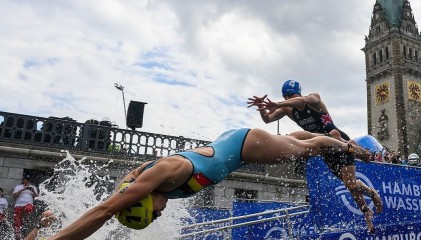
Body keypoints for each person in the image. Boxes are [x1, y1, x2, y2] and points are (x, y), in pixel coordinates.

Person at [48, 128, 379, 239]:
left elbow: (106, 209)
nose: (160, 215)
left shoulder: (167, 172)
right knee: (295, 143)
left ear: (143, 198)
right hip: (236, 149)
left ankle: (348, 145)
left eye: (152, 214)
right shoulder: (143, 184)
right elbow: (121, 191)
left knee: (307, 149)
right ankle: (345, 166)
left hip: (244, 144)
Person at [248, 80, 382, 231]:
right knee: (350, 185)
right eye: (288, 97)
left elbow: (304, 100)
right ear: (285, 97)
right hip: (324, 148)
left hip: (336, 141)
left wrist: (278, 104)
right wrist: (261, 107)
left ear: (299, 94)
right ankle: (367, 209)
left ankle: (355, 150)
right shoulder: (288, 109)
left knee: (306, 135)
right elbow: (267, 119)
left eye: (293, 96)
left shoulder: (313, 99)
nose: (291, 100)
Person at [13, 175, 39, 239]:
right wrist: (22, 189)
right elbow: (14, 195)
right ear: (23, 180)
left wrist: (33, 191)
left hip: (28, 204)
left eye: (28, 180)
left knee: (29, 208)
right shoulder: (18, 187)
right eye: (26, 180)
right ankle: (17, 235)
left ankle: (26, 219)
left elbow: (36, 196)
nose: (27, 181)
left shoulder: (33, 187)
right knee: (17, 223)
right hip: (18, 205)